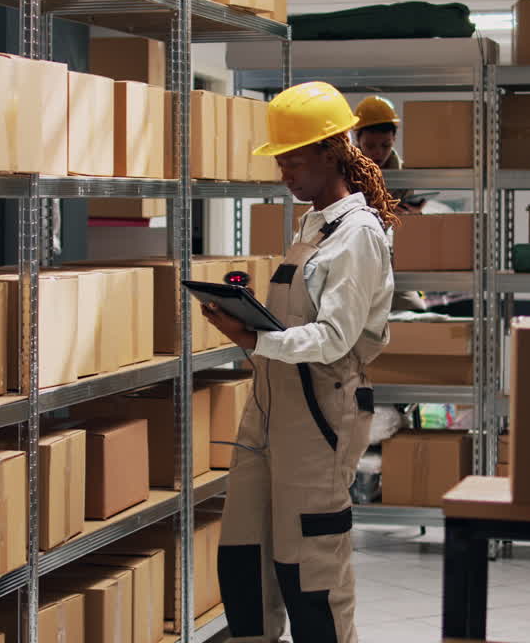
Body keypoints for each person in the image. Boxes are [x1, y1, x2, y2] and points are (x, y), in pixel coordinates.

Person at [203, 81, 398, 643]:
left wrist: (254, 337)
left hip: (320, 411)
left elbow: (335, 338)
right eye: (280, 160)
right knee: (247, 553)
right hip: (270, 404)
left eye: (293, 159)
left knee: (308, 563)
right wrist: (251, 329)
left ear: (330, 152)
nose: (284, 172)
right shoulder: (315, 225)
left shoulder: (357, 235)